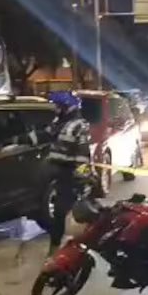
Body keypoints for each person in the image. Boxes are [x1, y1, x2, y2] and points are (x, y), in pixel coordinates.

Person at [47, 91, 92, 254]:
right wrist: (16, 140)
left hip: (71, 176)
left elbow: (83, 156)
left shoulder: (79, 125)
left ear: (68, 107)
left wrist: (82, 180)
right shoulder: (59, 123)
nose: (56, 109)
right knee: (60, 213)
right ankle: (56, 247)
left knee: (73, 213)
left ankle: (75, 249)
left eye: (59, 106)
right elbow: (43, 136)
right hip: (60, 174)